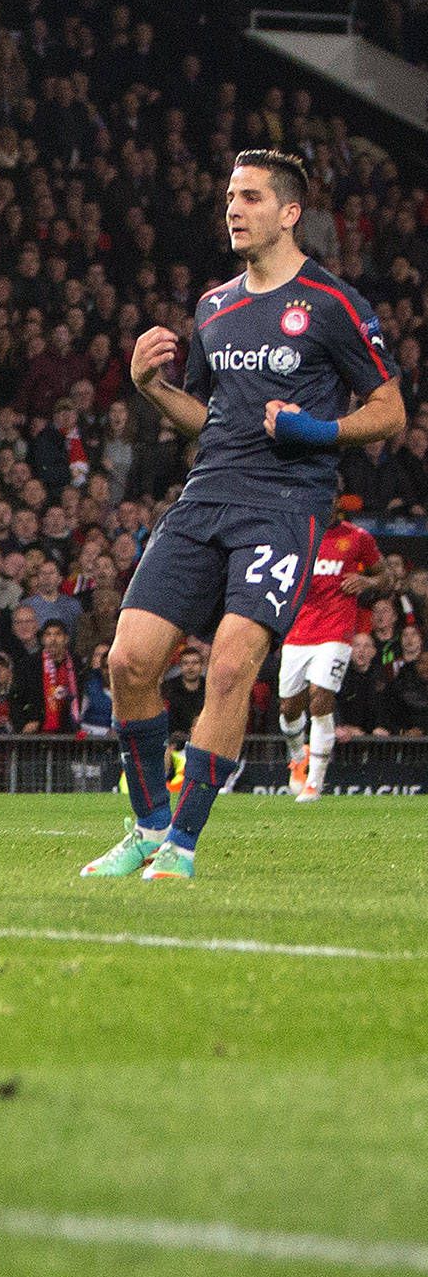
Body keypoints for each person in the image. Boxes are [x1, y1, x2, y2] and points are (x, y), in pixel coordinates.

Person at [88, 152, 407, 877]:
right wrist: (149, 386)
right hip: (206, 496)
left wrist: (318, 431)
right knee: (128, 660)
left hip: (285, 506)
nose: (234, 208)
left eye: (251, 197)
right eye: (230, 195)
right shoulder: (213, 307)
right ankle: (146, 826)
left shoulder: (333, 303)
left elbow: (391, 411)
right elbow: (207, 418)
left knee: (230, 669)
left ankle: (182, 845)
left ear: (290, 212)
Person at [276, 497, 385, 802]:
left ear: (338, 502)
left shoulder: (357, 537)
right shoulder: (299, 534)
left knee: (321, 697)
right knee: (288, 707)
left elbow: (385, 575)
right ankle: (298, 757)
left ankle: (315, 781)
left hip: (336, 631)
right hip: (298, 632)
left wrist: (366, 580)